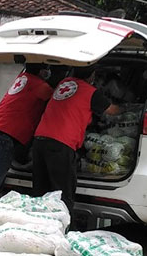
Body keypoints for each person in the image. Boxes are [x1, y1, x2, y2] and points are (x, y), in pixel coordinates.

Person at [0, 63, 57, 232]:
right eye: (47, 68)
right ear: (41, 71)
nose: (48, 72)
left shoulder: (22, 79)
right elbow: (57, 101)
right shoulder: (40, 86)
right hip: (5, 138)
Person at [32, 64, 120, 215]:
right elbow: (111, 110)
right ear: (92, 75)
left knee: (40, 192)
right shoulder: (90, 92)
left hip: (40, 140)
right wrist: (128, 108)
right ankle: (64, 226)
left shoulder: (64, 83)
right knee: (62, 194)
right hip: (61, 143)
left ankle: (38, 222)